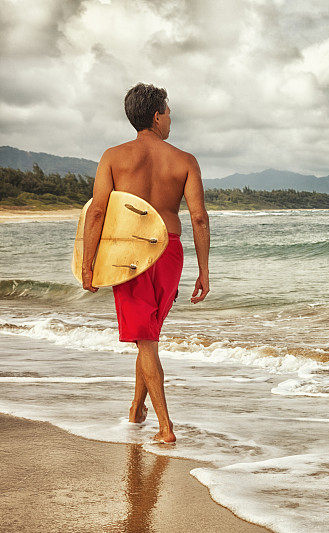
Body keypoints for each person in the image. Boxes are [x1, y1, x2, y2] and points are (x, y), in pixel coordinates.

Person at [81, 83, 210, 443]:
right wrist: (204, 269)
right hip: (169, 251)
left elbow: (98, 213)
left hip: (129, 255)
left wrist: (88, 263)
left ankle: (165, 428)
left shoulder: (113, 157)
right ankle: (137, 408)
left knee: (146, 339)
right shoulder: (185, 160)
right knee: (148, 335)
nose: (170, 119)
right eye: (168, 113)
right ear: (156, 115)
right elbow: (199, 218)